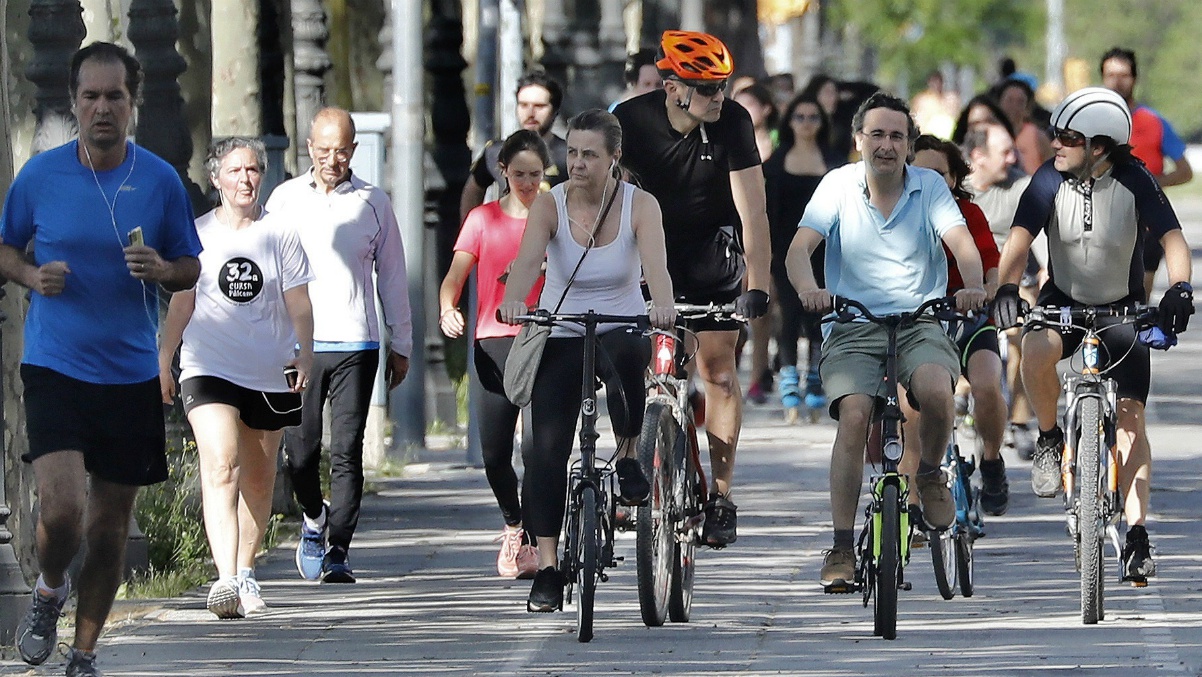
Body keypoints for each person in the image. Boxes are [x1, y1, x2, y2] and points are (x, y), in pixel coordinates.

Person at [0, 42, 201, 676]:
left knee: (110, 528)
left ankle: (83, 655)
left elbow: (190, 265)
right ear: (75, 104)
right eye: (91, 97)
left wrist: (164, 269)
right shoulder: (41, 175)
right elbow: (5, 249)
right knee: (62, 511)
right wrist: (33, 277)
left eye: (115, 96)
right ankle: (48, 589)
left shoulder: (160, 179)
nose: (102, 108)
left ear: (132, 104)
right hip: (56, 365)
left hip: (130, 372)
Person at [784, 92, 987, 588]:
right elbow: (798, 250)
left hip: (919, 320)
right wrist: (810, 289)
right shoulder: (836, 185)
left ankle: (930, 474)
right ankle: (839, 545)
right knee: (854, 415)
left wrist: (975, 286)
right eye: (876, 134)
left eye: (897, 136)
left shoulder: (930, 187)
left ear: (910, 145)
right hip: (853, 323)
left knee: (939, 394)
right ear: (858, 140)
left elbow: (962, 245)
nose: (886, 145)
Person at [994, 87, 1193, 583]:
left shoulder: (1134, 179)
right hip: (1062, 301)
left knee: (1130, 419)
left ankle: (1138, 534)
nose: (1054, 144)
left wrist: (1181, 288)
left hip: (1122, 309)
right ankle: (1047, 435)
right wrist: (1003, 287)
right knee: (1034, 348)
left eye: (1067, 138)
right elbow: (1019, 241)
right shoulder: (1048, 178)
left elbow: (1172, 238)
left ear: (1099, 147)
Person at [497, 109, 677, 612]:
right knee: (543, 450)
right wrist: (516, 301)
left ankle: (627, 457)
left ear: (613, 157)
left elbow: (657, 272)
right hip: (562, 325)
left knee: (626, 355)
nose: (576, 163)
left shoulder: (641, 206)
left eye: (589, 155)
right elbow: (528, 263)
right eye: (571, 152)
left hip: (620, 322)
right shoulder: (550, 206)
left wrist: (660, 307)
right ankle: (549, 568)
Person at [612, 30, 773, 548]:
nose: (718, 97)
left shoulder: (733, 123)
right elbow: (600, 198)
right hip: (646, 252)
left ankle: (721, 494)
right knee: (634, 365)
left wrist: (759, 284)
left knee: (718, 371)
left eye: (722, 86)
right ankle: (633, 462)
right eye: (706, 88)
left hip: (710, 252)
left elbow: (754, 213)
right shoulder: (630, 121)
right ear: (672, 86)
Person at [158, 137, 315, 618]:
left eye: (252, 170)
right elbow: (181, 301)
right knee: (221, 466)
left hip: (268, 370)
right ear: (216, 179)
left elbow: (299, 304)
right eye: (235, 171)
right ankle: (225, 579)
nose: (245, 179)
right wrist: (163, 358)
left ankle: (246, 572)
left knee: (260, 477)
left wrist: (305, 354)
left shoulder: (281, 233)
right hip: (209, 366)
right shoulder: (197, 234)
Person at [266, 107, 413, 584]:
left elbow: (392, 277)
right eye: (325, 150)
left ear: (353, 150)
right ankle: (313, 517)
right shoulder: (284, 200)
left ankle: (339, 549)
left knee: (347, 450)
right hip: (296, 345)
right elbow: (267, 271)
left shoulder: (373, 203)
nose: (334, 159)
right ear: (309, 147)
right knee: (302, 452)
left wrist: (402, 342)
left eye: (343, 150)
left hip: (356, 340)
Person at [438, 130, 548, 579]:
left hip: (544, 338)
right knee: (495, 453)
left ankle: (540, 538)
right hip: (493, 340)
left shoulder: (554, 217)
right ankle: (514, 524)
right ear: (502, 171)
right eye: (518, 174)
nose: (526, 183)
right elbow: (455, 274)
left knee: (539, 449)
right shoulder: (483, 219)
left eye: (535, 175)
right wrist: (447, 308)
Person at [904, 135, 1009, 516]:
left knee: (985, 383)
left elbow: (990, 263)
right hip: (918, 321)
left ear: (954, 178)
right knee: (911, 410)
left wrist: (986, 291)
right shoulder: (897, 211)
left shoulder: (969, 213)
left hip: (968, 317)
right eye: (921, 171)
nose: (930, 180)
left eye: (940, 173)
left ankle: (993, 459)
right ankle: (914, 494)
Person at [962, 122, 1039, 460]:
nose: (1013, 158)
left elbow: (1044, 230)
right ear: (978, 156)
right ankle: (963, 389)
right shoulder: (958, 190)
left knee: (1025, 330)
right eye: (1004, 152)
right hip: (968, 284)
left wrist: (1048, 268)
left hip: (1012, 283)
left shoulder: (1020, 186)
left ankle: (1020, 420)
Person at [763, 92, 841, 422]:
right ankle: (790, 387)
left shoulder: (835, 163)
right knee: (790, 316)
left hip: (827, 251)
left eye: (813, 117)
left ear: (822, 123)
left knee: (821, 317)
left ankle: (816, 382)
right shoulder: (776, 163)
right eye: (800, 117)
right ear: (789, 122)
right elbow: (764, 214)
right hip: (785, 250)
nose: (806, 123)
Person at [1100, 47, 1194, 300]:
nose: (1117, 82)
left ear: (1134, 78)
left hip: (1147, 221)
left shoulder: (1154, 122)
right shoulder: (1093, 122)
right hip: (1102, 219)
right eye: (1111, 75)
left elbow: (1185, 171)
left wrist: (1149, 184)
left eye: (1124, 75)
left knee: (1139, 296)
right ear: (1102, 78)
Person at [461, 71, 568, 221]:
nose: (530, 113)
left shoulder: (570, 154)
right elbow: (473, 190)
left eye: (539, 106)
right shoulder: (495, 151)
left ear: (555, 111)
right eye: (523, 105)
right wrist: (470, 229)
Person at [733, 81, 781, 405]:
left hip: (769, 228)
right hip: (733, 231)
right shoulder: (727, 139)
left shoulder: (779, 143)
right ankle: (731, 359)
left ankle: (758, 373)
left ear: (766, 109)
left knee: (763, 304)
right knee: (733, 308)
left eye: (751, 104)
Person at [995, 79, 1054, 176]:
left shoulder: (1038, 137)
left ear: (1028, 108)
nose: (1014, 107)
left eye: (1020, 102)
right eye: (1009, 100)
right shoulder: (991, 136)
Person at [910, 70, 960, 140]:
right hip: (929, 138)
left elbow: (956, 118)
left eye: (939, 82)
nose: (936, 84)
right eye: (934, 82)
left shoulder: (950, 99)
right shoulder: (922, 101)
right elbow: (918, 121)